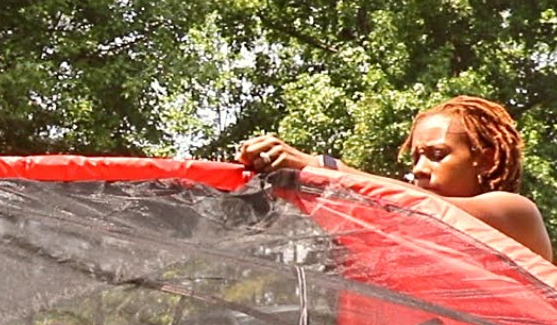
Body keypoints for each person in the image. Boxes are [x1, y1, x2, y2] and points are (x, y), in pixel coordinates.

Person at [236, 95, 553, 261]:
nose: (419, 168)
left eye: (437, 154)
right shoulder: (414, 234)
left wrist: (321, 166)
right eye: (416, 157)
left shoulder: (517, 214)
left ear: (484, 161)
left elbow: (426, 207)